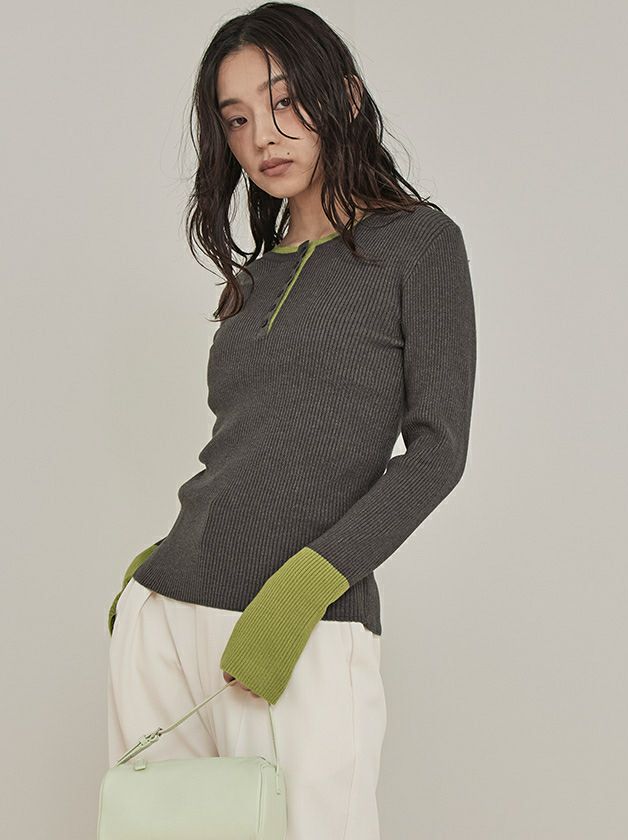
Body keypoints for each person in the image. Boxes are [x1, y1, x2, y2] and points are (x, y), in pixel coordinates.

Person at [106, 3, 477, 838]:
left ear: (344, 96)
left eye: (283, 103)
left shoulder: (419, 244)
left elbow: (438, 452)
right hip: (166, 620)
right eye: (237, 119)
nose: (263, 137)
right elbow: (245, 446)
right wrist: (148, 589)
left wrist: (301, 594)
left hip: (299, 630)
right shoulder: (254, 278)